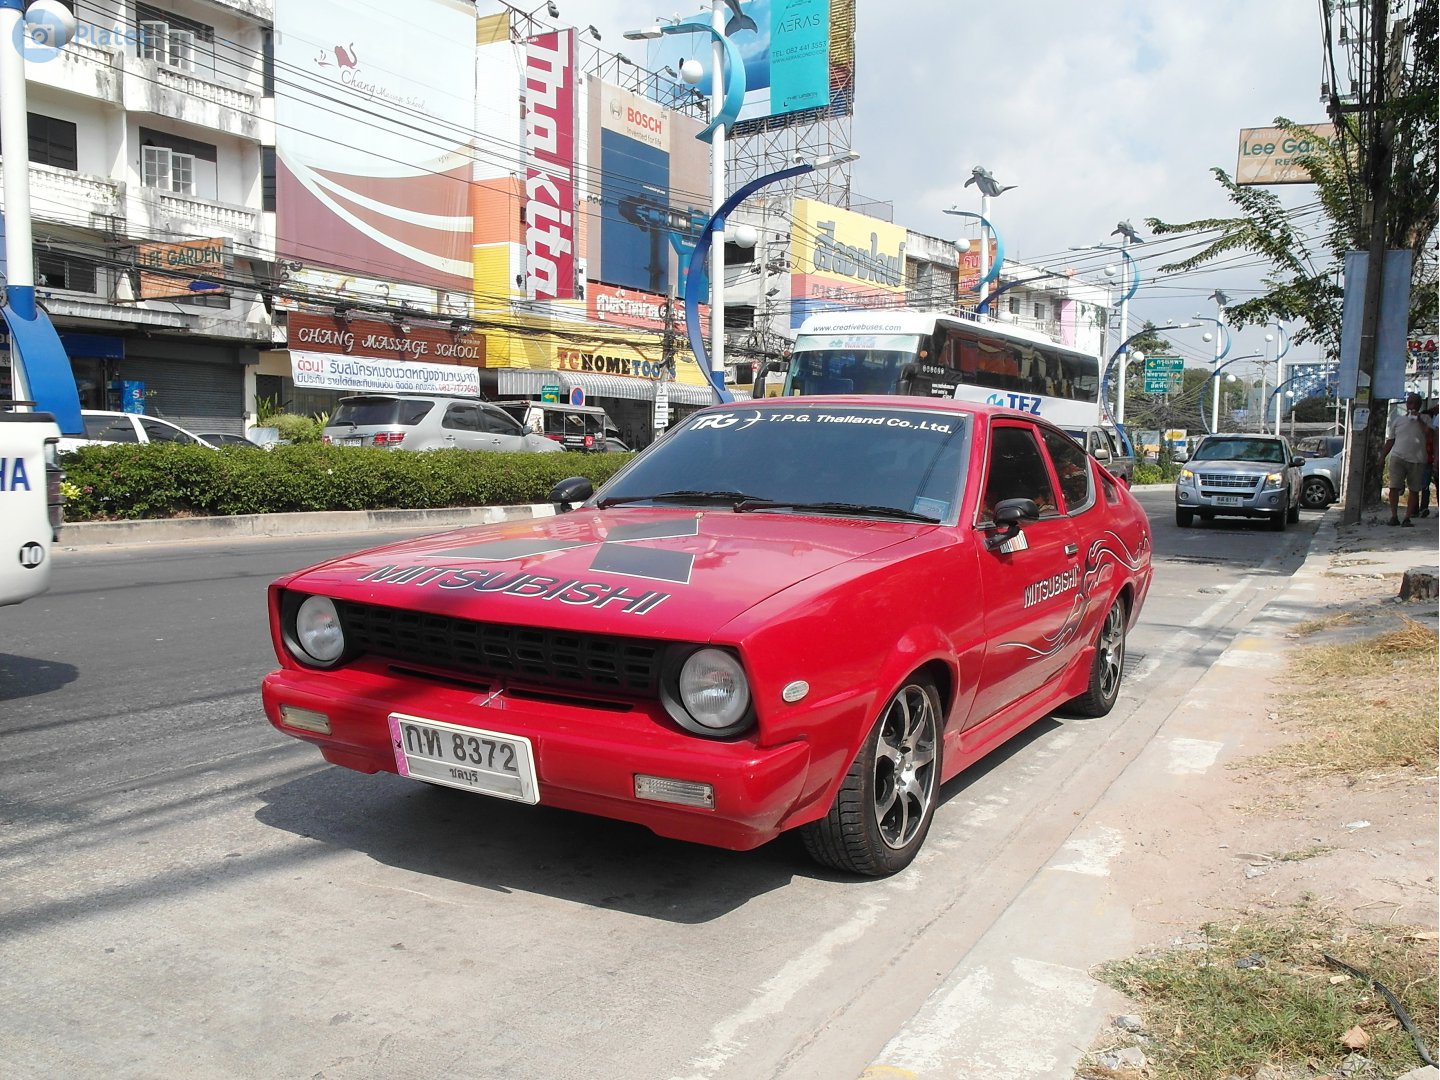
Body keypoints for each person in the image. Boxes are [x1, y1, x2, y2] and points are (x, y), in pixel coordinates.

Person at [1382, 392, 1428, 526]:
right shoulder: (1398, 420)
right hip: (1398, 457)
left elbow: (1429, 433)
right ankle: (1394, 516)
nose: (1411, 406)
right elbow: (1390, 441)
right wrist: (1382, 457)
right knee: (1394, 487)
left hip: (1417, 460)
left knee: (1414, 489)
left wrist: (1418, 419)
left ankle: (1407, 517)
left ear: (1419, 405)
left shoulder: (1425, 419)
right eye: (1409, 403)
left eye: (1414, 403)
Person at [1419, 401, 1438, 518]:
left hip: (1431, 458)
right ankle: (1422, 508)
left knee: (1426, 484)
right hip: (1426, 459)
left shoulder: (1432, 431)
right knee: (1423, 484)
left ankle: (1423, 507)